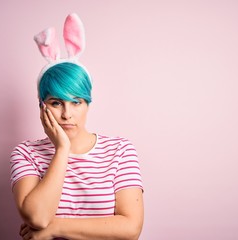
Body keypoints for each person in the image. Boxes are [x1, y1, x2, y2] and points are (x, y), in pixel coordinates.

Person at [10, 13, 144, 240]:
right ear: (42, 106)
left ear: (87, 104)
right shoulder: (26, 153)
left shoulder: (120, 151)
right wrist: (62, 149)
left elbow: (130, 228)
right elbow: (37, 218)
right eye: (55, 102)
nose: (66, 114)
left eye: (76, 102)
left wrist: (56, 228)